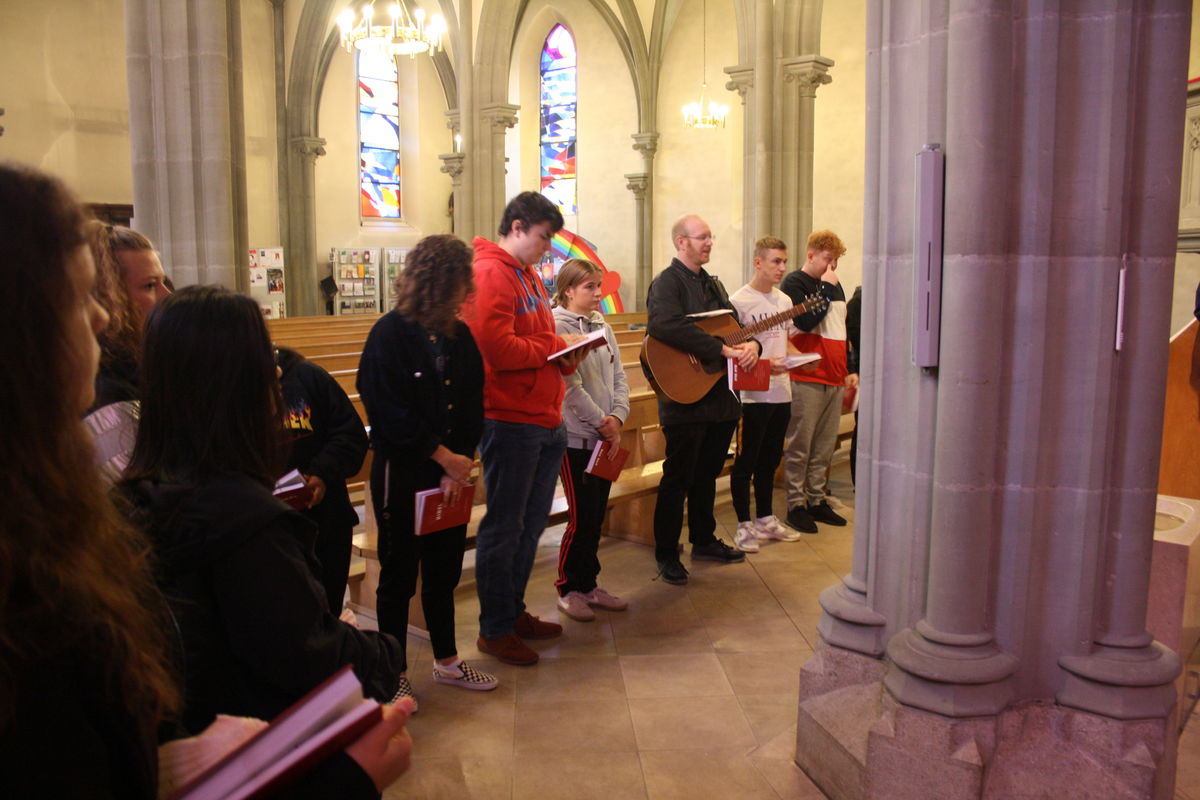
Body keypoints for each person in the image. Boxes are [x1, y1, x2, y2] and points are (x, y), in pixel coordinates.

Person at [0, 162, 412, 798]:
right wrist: (344, 779)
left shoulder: (72, 507)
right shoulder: (40, 553)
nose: (104, 319)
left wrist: (158, 764)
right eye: (80, 296)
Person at [121, 285, 413, 797]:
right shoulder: (247, 523)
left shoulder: (129, 498)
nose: (277, 373)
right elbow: (305, 657)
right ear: (237, 384)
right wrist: (384, 653)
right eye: (264, 361)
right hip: (255, 755)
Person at [357, 234, 499, 709]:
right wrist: (442, 457)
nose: (469, 291)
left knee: (443, 571)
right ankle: (393, 672)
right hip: (403, 471)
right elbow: (386, 410)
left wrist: (460, 461)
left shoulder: (459, 336)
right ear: (438, 281)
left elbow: (472, 403)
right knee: (398, 574)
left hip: (449, 476)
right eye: (462, 281)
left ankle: (447, 661)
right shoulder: (389, 334)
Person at [463, 191, 588, 666]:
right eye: (543, 236)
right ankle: (494, 630)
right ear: (517, 227)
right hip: (509, 418)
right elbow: (496, 350)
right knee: (505, 527)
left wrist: (565, 352)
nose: (547, 247)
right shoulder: (490, 273)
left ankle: (513, 613)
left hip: (544, 414)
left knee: (531, 524)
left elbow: (535, 339)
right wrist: (553, 348)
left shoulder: (527, 273)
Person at [645, 214, 759, 586]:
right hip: (685, 395)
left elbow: (733, 327)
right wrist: (719, 349)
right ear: (681, 242)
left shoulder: (714, 284)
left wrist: (751, 345)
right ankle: (666, 552)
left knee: (708, 473)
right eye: (702, 237)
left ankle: (704, 538)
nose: (709, 243)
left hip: (719, 395)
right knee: (678, 476)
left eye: (710, 237)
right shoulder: (667, 282)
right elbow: (664, 325)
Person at [551, 258, 631, 621]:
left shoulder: (602, 326)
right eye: (590, 287)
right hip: (576, 439)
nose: (599, 293)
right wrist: (602, 422)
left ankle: (589, 584)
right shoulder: (556, 326)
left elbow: (619, 376)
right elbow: (569, 387)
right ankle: (568, 588)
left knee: (597, 515)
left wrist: (618, 416)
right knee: (581, 517)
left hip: (604, 436)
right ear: (568, 290)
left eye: (599, 285)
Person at [278, 345, 369, 614]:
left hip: (326, 520)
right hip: (273, 528)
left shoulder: (308, 376)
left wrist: (321, 473)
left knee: (327, 611)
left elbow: (350, 434)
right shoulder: (230, 388)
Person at [728, 237, 805, 552]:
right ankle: (743, 525)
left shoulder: (784, 301)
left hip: (781, 391)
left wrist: (801, 358)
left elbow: (784, 340)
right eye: (776, 261)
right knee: (746, 461)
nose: (782, 267)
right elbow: (732, 351)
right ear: (758, 262)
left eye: (784, 261)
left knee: (771, 459)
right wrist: (764, 364)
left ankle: (765, 519)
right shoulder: (738, 302)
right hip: (752, 396)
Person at [779, 229, 859, 532]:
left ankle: (816, 499)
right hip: (807, 375)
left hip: (835, 375)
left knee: (824, 446)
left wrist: (850, 367)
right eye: (828, 259)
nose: (832, 266)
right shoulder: (794, 283)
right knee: (801, 444)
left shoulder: (834, 286)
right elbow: (804, 321)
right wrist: (825, 288)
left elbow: (842, 329)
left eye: (835, 261)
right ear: (811, 255)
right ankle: (796, 504)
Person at [83, 221, 170, 412]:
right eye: (150, 285)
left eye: (163, 282)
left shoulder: (144, 358)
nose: (167, 295)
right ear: (109, 297)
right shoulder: (109, 390)